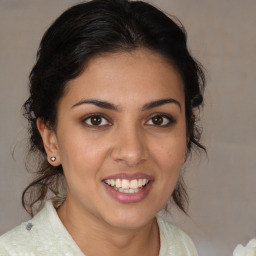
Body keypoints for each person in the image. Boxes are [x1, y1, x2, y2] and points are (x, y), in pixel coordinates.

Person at [0, 0, 206, 255]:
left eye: (158, 120)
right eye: (96, 120)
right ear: (51, 139)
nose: (131, 153)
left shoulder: (183, 248)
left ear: (186, 133)